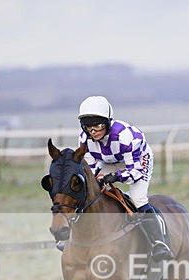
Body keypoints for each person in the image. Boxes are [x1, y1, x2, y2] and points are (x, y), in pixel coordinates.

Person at [73, 95, 173, 261]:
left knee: (138, 198)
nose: (93, 131)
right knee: (89, 192)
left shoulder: (126, 136)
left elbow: (134, 173)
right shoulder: (84, 139)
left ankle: (159, 242)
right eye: (88, 126)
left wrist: (114, 177)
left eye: (97, 125)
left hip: (137, 162)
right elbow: (90, 170)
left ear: (108, 122)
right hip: (109, 161)